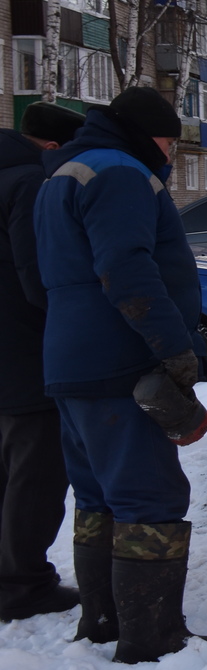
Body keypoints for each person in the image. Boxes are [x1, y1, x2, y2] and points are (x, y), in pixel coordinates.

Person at [34, 87, 207, 662]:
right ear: (149, 135)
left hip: (70, 361)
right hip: (119, 361)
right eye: (169, 141)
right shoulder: (120, 174)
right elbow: (126, 268)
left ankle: (103, 620)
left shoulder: (63, 175)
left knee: (98, 496)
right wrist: (173, 348)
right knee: (149, 494)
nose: (170, 155)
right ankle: (151, 638)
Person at [0, 103, 85, 622]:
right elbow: (41, 278)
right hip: (25, 351)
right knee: (36, 472)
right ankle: (21, 584)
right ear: (53, 149)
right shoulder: (31, 184)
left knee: (8, 468)